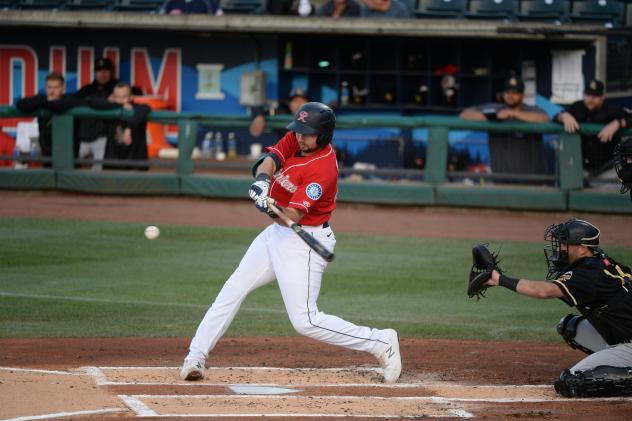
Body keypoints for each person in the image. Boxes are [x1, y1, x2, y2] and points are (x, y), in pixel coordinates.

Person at [179, 102, 402, 384]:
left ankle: (381, 342)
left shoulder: (322, 169)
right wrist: (262, 181)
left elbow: (293, 216)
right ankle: (195, 356)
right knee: (232, 289)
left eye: (306, 133)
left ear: (323, 136)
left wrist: (269, 207)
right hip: (276, 235)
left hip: (303, 240)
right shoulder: (297, 140)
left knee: (305, 321)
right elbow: (271, 159)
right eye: (298, 131)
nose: (299, 137)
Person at [480, 219, 632, 397]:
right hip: (621, 336)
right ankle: (616, 358)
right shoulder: (598, 263)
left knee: (573, 382)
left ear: (583, 248)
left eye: (564, 244)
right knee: (570, 327)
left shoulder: (587, 275)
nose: (559, 248)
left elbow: (544, 291)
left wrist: (499, 279)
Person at [459, 77, 550, 180]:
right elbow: (464, 115)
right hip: (502, 179)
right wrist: (495, 116)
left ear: (522, 94)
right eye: (507, 92)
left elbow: (545, 118)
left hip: (533, 180)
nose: (510, 95)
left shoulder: (531, 110)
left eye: (514, 92)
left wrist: (513, 114)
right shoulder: (496, 108)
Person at [555, 80, 628, 178]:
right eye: (588, 95)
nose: (591, 98)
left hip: (608, 168)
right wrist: (563, 116)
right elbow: (555, 117)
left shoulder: (612, 108)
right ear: (583, 94)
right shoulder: (577, 106)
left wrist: (618, 123)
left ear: (603, 97)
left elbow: (630, 116)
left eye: (595, 96)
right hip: (581, 168)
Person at [15, 72, 83, 167]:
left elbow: (60, 106)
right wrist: (44, 101)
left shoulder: (71, 98)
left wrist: (45, 103)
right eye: (49, 87)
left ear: (63, 88)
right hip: (47, 153)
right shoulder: (41, 99)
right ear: (46, 88)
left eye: (56, 87)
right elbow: (20, 104)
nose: (52, 91)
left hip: (68, 153)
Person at [93, 82, 150, 170]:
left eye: (124, 96)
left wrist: (128, 129)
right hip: (113, 166)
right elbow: (91, 101)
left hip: (135, 167)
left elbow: (145, 108)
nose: (121, 100)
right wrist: (118, 105)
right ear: (113, 97)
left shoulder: (137, 108)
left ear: (131, 97)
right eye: (118, 97)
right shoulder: (110, 109)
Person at [75, 58, 120, 171]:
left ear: (111, 72)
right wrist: (106, 100)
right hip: (84, 137)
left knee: (97, 171)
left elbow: (136, 93)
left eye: (106, 71)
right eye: (99, 71)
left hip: (102, 138)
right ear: (95, 73)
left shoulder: (117, 89)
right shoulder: (86, 90)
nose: (102, 74)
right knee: (69, 164)